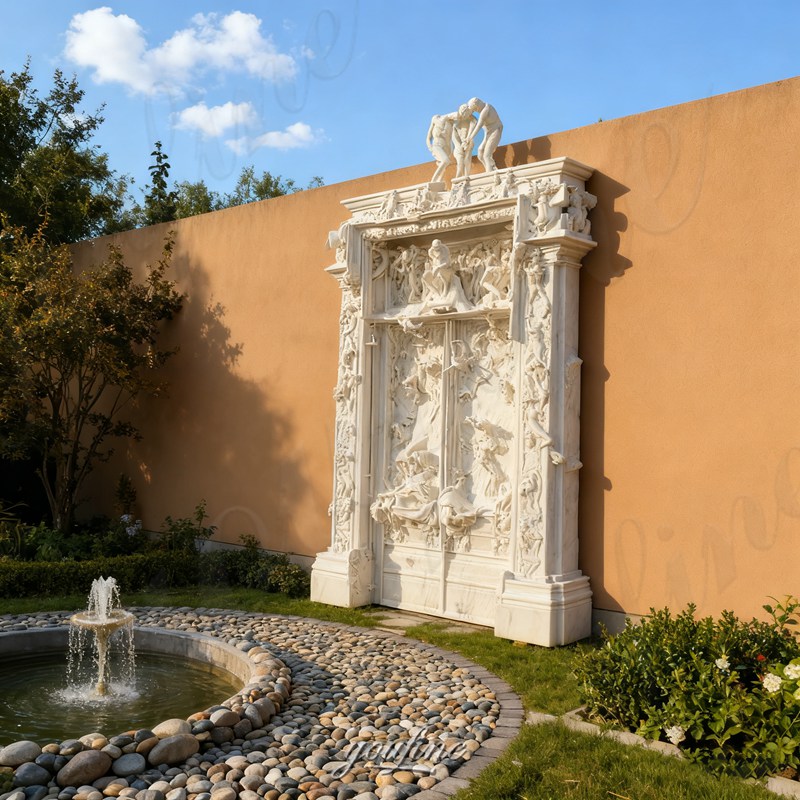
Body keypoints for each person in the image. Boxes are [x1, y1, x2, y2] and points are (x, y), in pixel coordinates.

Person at [467, 97, 503, 172]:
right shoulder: (484, 108)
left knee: (486, 155)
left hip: (495, 131)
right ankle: (491, 167)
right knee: (480, 152)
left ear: (477, 106)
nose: (475, 111)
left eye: (475, 109)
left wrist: (470, 138)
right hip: (488, 133)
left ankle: (489, 172)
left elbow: (478, 126)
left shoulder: (485, 110)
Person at [426, 113, 456, 184]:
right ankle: (433, 181)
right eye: (437, 117)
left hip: (447, 147)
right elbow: (428, 138)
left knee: (443, 165)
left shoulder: (449, 123)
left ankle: (439, 181)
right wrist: (430, 148)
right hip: (437, 145)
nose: (439, 117)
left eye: (439, 117)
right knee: (445, 161)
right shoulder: (435, 125)